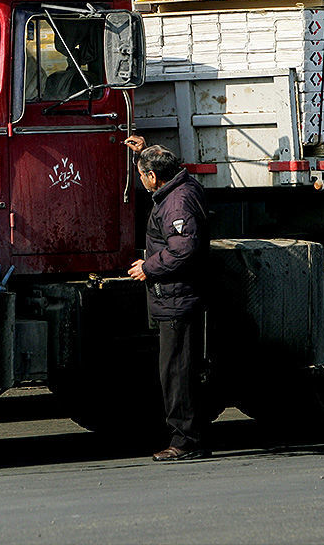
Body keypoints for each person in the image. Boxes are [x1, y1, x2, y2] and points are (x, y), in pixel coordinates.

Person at [124, 134, 211, 462]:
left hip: (177, 297)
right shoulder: (176, 189)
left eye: (141, 173)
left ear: (153, 176)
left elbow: (183, 248)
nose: (140, 179)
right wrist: (144, 151)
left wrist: (148, 267)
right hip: (175, 297)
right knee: (178, 369)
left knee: (177, 372)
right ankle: (190, 438)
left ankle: (186, 442)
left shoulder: (176, 201)